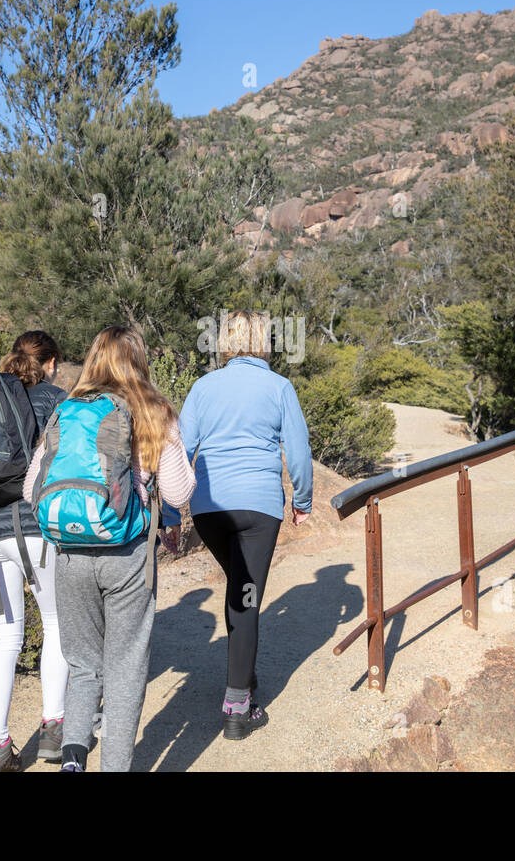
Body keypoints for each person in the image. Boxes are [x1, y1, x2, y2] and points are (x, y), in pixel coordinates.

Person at [22, 325, 194, 772]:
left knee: (83, 665)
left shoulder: (69, 409)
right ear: (138, 359)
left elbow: (29, 490)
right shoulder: (154, 410)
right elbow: (177, 492)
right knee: (125, 669)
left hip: (70, 553)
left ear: (94, 357)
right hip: (129, 556)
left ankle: (73, 760)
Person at [173, 310, 312, 740]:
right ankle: (237, 707)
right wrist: (303, 501)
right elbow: (300, 452)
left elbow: (179, 449)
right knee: (248, 598)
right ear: (263, 342)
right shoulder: (279, 387)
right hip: (258, 509)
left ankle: (243, 676)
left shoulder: (203, 386)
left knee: (240, 590)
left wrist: (168, 513)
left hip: (210, 509)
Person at [0, 330, 70, 771]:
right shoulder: (57, 399)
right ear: (49, 363)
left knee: (5, 636)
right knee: (56, 625)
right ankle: (54, 727)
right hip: (36, 528)